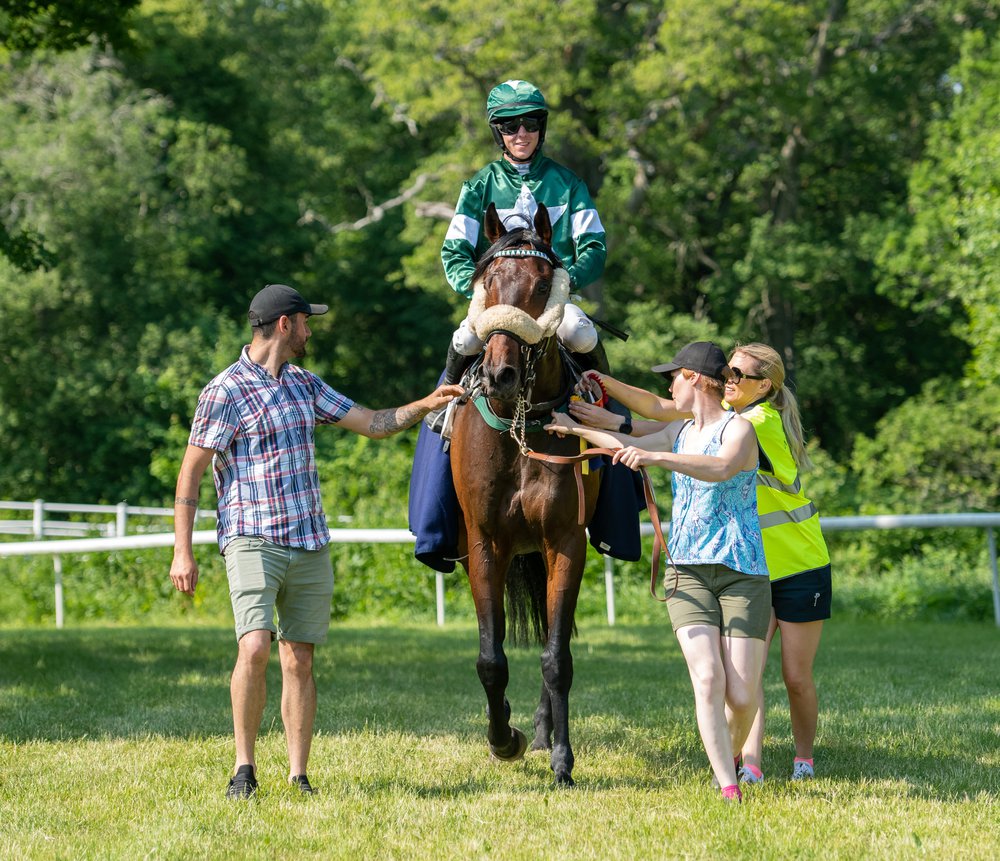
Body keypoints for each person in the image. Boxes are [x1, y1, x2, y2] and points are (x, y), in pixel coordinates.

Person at [169, 283, 462, 799]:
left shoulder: (305, 385)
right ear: (285, 324)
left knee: (298, 658)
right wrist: (183, 550)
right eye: (307, 321)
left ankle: (298, 774)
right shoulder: (225, 391)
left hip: (307, 538)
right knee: (255, 646)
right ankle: (243, 767)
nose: (310, 330)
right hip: (250, 535)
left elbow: (373, 423)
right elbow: (190, 474)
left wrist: (428, 403)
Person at [567, 343, 831, 783]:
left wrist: (621, 424)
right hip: (748, 563)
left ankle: (803, 758)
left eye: (739, 375)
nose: (729, 379)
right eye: (727, 371)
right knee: (746, 678)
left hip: (796, 560)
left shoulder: (752, 422)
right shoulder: (720, 415)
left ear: (763, 386)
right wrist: (605, 389)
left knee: (795, 676)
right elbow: (670, 411)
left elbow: (678, 426)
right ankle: (750, 766)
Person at [546, 341, 771, 803]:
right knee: (708, 678)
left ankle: (727, 756)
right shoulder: (679, 432)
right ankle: (728, 784)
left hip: (742, 571)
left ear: (692, 379)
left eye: (672, 377)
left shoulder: (740, 430)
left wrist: (655, 459)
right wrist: (573, 429)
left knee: (743, 697)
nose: (667, 387)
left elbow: (722, 468)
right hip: (685, 571)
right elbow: (625, 443)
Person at [434, 78, 609, 409]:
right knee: (467, 338)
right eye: (510, 125)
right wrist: (481, 291)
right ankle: (443, 414)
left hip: (553, 301)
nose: (521, 133)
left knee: (579, 332)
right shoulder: (478, 186)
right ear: (497, 132)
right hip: (494, 301)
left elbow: (594, 248)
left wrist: (562, 281)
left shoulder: (569, 184)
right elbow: (455, 253)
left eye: (530, 123)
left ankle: (611, 410)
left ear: (541, 128)